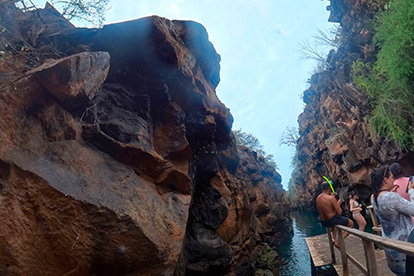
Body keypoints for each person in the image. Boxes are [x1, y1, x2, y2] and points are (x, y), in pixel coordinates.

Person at [371, 166, 414, 275]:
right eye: (391, 177)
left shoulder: (373, 197)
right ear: (385, 180)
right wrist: (411, 191)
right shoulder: (391, 197)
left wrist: (392, 193)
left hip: (390, 244)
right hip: (404, 244)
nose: (393, 180)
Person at [317, 181, 354, 247]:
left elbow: (327, 208)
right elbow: (339, 212)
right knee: (351, 224)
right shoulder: (331, 198)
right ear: (329, 188)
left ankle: (334, 238)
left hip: (323, 222)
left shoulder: (318, 198)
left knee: (333, 223)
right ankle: (338, 241)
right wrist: (338, 203)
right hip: (331, 220)